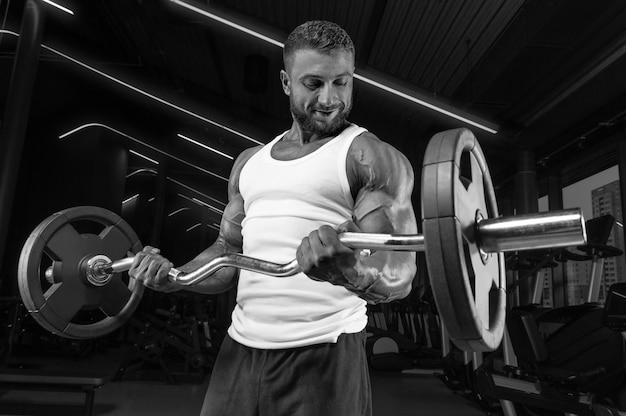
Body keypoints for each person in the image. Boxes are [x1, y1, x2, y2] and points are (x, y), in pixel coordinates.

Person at [129, 20, 417, 416]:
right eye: (313, 84)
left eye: (342, 82)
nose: (329, 99)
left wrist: (350, 271)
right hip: (240, 350)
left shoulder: (369, 157)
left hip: (325, 351)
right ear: (286, 82)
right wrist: (176, 277)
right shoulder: (249, 163)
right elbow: (227, 255)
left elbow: (400, 273)